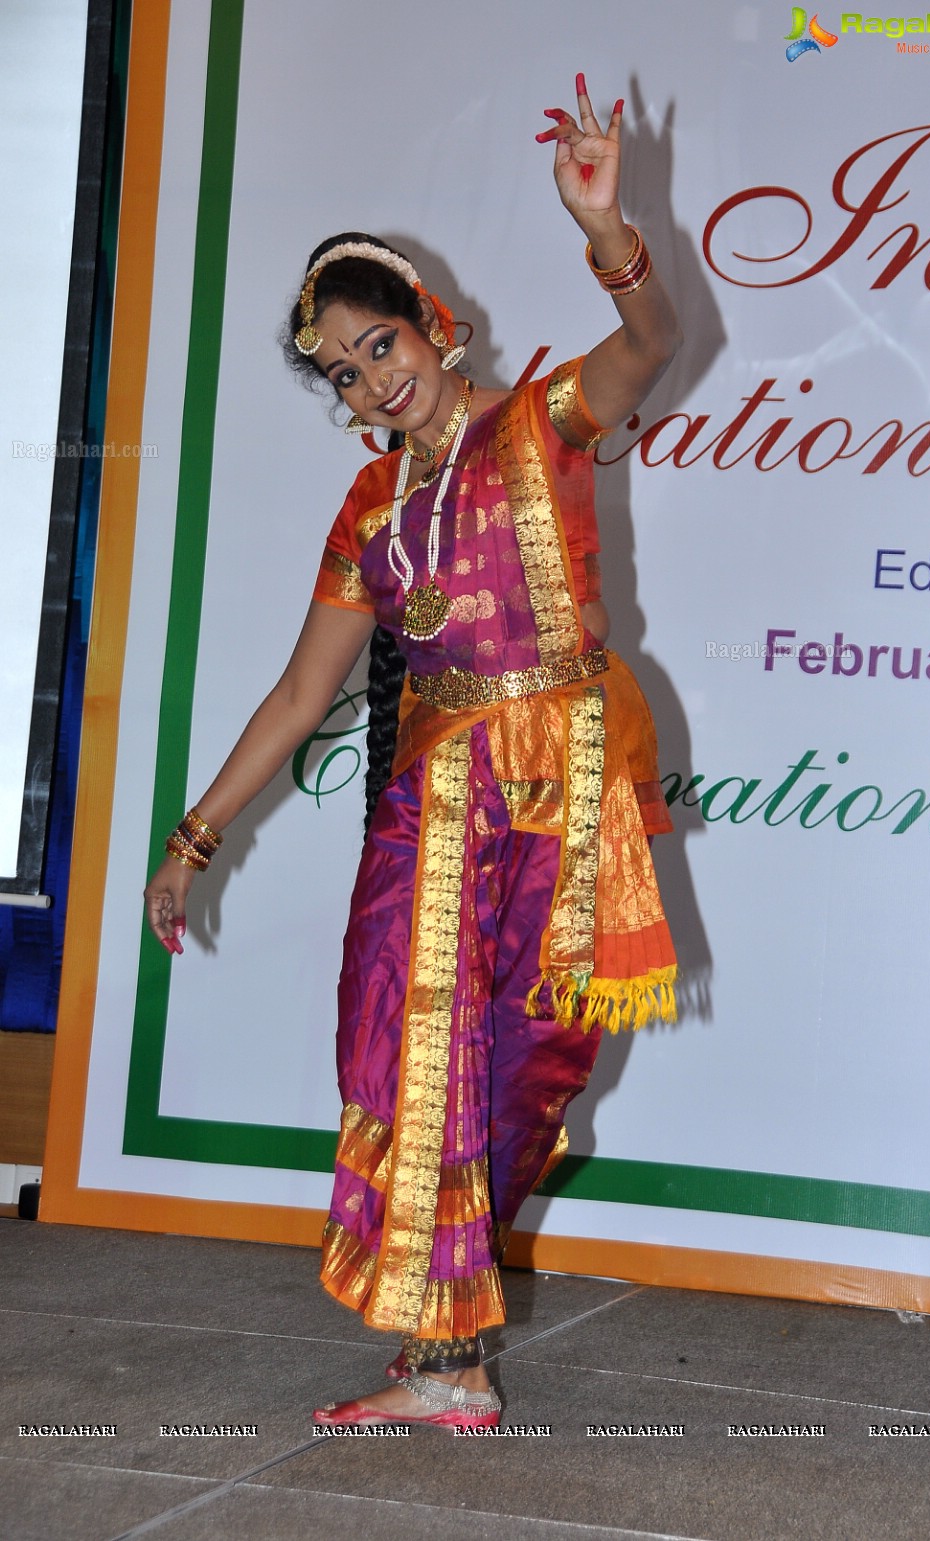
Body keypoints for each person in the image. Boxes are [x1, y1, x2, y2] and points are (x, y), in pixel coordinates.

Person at [144, 76, 682, 1432]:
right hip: (425, 811)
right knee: (394, 1058)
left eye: (380, 347)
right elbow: (295, 694)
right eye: (345, 373)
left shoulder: (538, 423)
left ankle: (456, 1335)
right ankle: (452, 1362)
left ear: (432, 325)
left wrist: (607, 231)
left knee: (524, 1059)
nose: (371, 381)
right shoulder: (369, 507)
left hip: (555, 785)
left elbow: (651, 345)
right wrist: (193, 836)